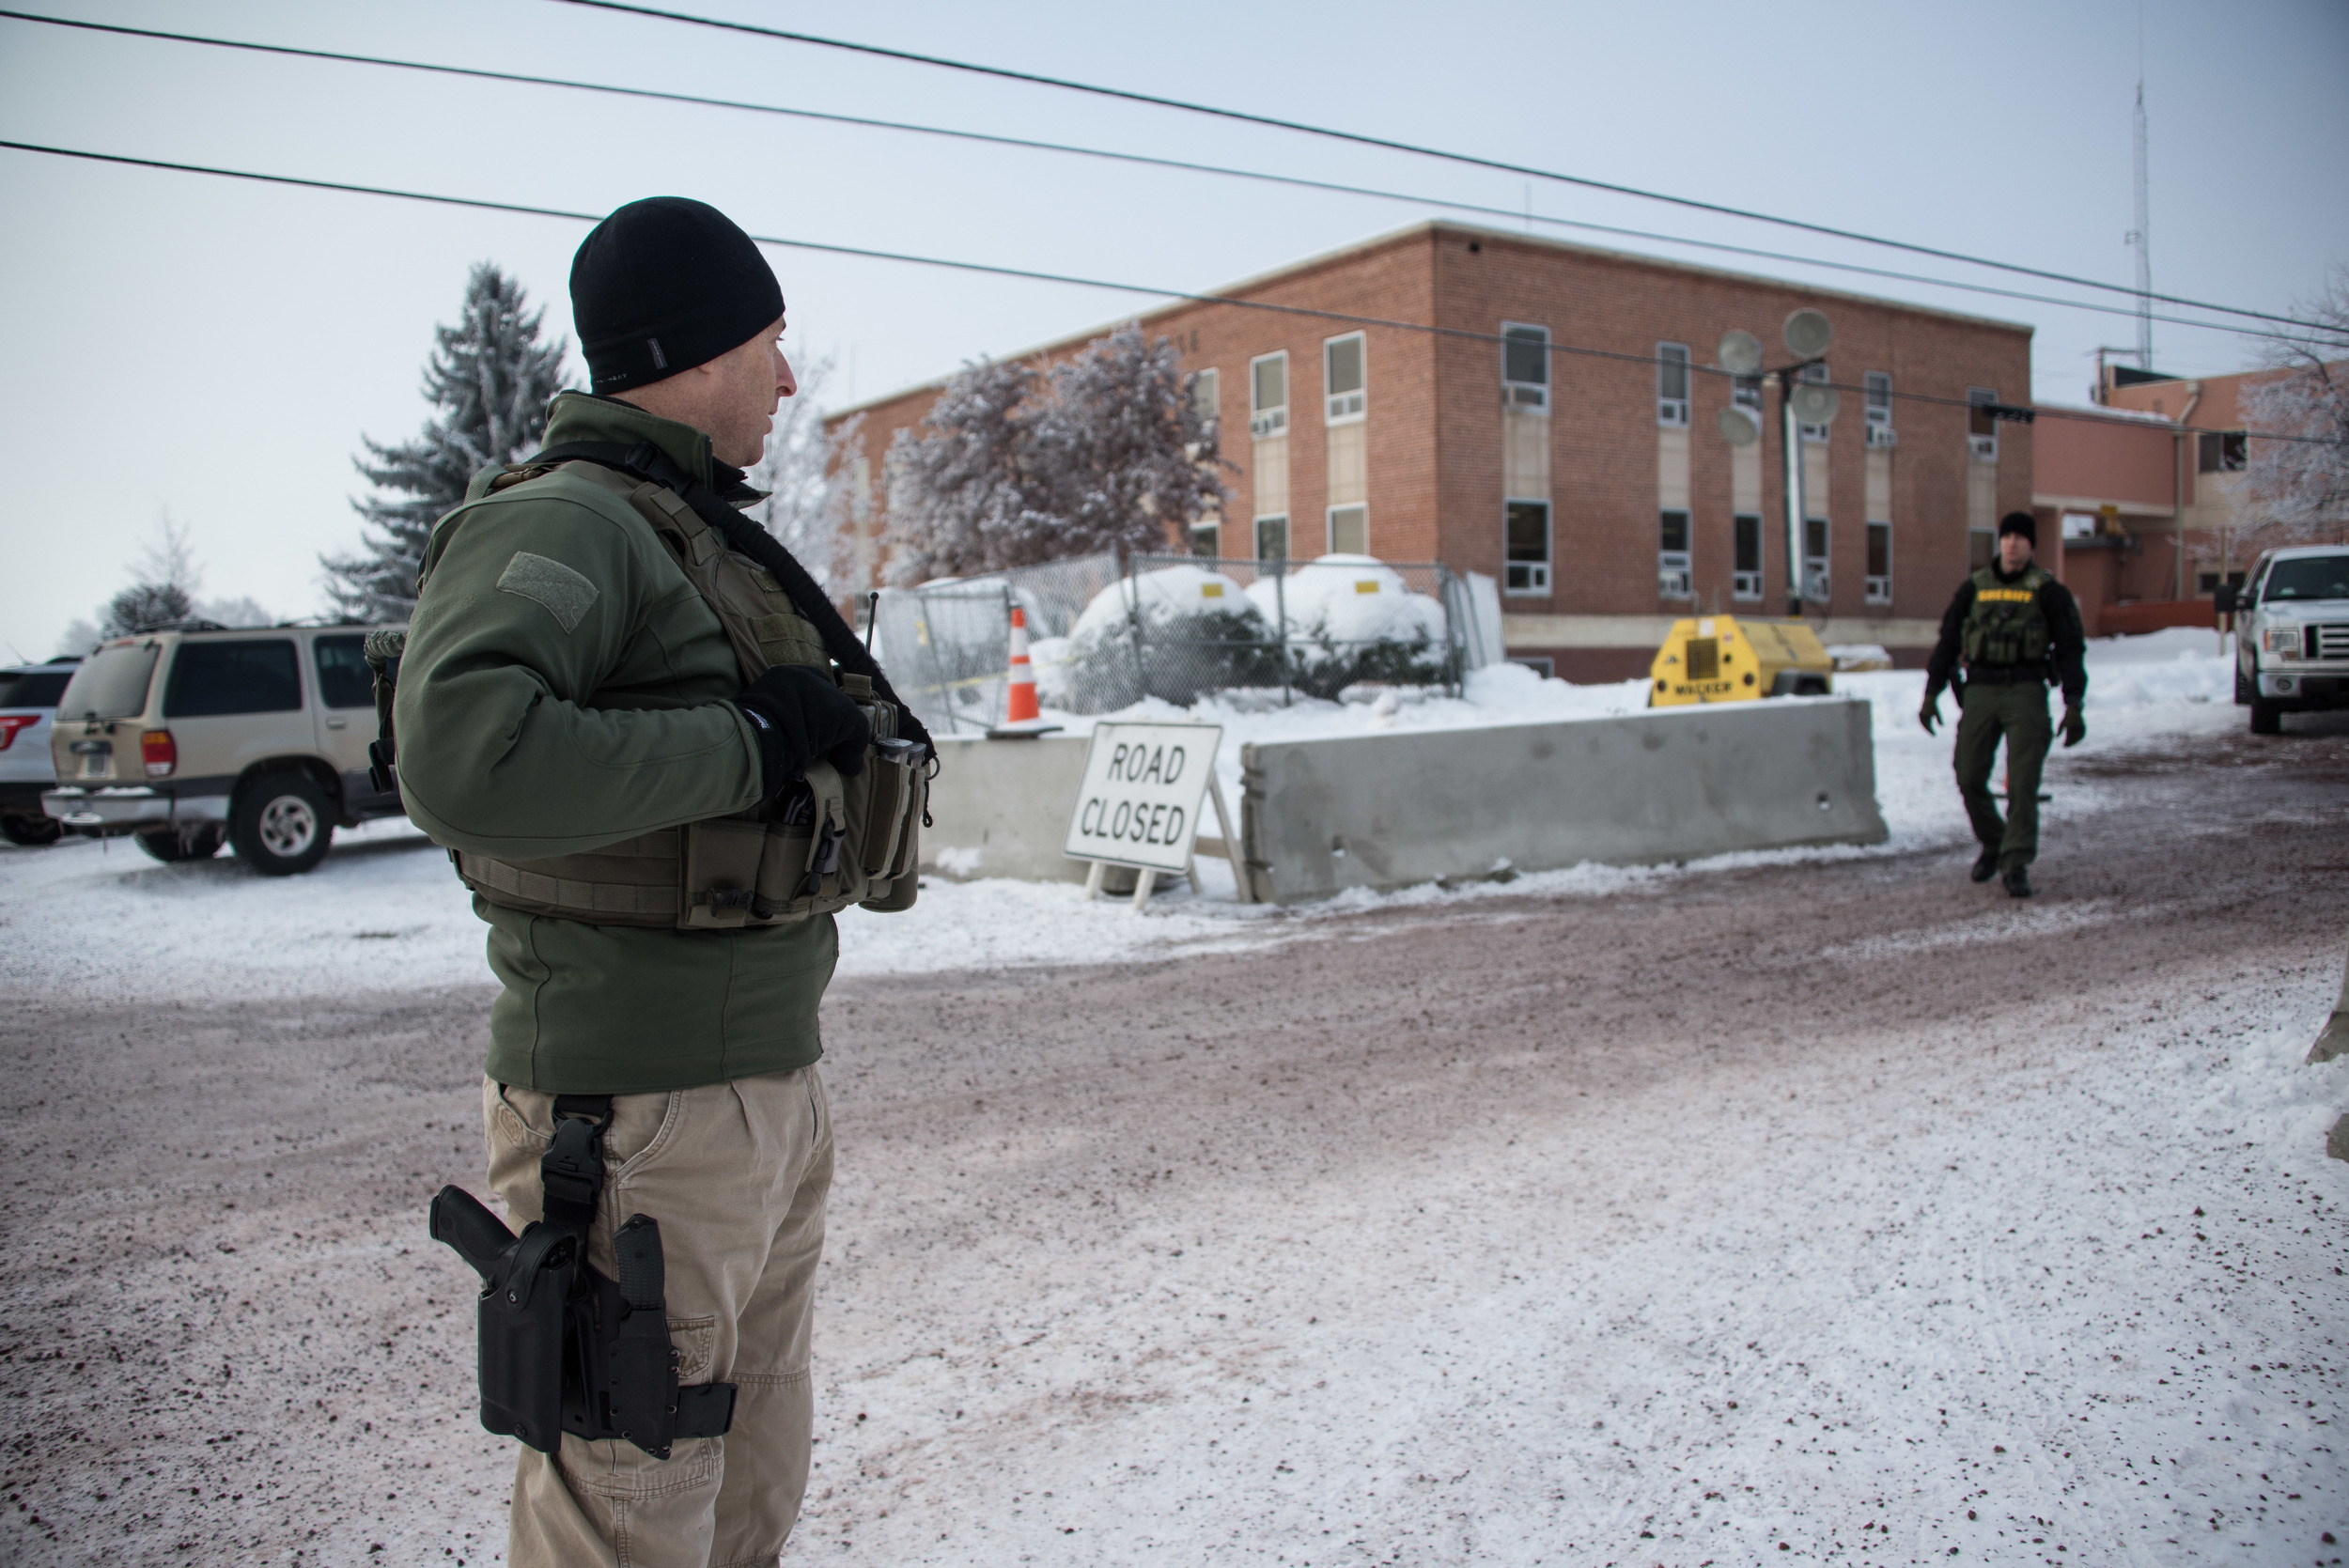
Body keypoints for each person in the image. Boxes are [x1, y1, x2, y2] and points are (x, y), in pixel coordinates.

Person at [397, 197, 925, 1567]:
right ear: (696, 352)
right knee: (631, 1508)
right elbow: (459, 753)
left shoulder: (687, 528)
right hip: (631, 1111)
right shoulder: (576, 525)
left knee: (749, 1478)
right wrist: (743, 741)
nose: (790, 379)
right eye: (772, 343)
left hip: (757, 1092)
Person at [1919, 511, 2086, 899]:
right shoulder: (1974, 588)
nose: (2012, 543)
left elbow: (2071, 649)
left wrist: (2074, 703)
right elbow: (1947, 642)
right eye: (2007, 536)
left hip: (2026, 689)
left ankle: (2015, 862)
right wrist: (1931, 693)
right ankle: (1995, 841)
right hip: (1979, 690)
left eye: (2020, 537)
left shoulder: (2048, 591)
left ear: (2031, 545)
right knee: (1968, 775)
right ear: (2000, 542)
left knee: (2023, 782)